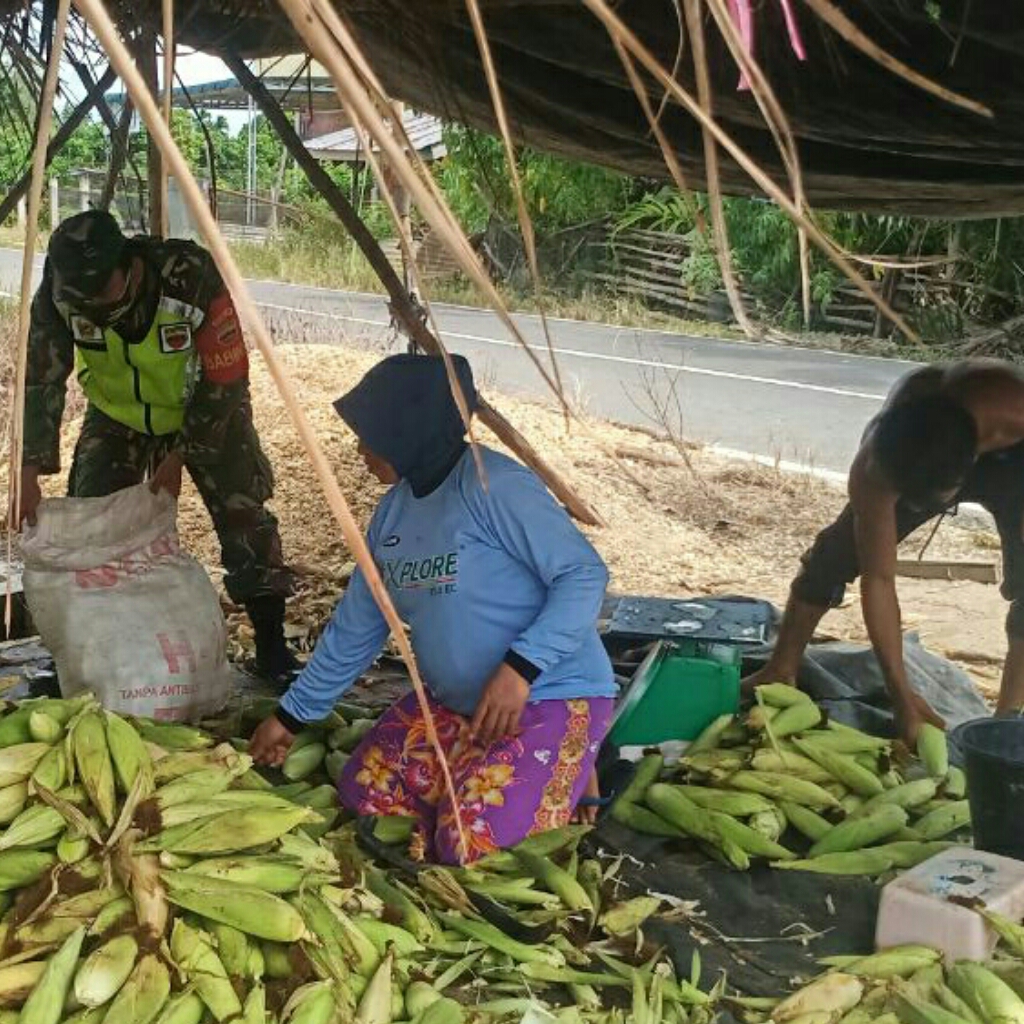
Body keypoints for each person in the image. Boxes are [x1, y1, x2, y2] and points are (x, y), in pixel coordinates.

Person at [250, 353, 616, 864]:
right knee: (364, 797)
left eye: (372, 436)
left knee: (470, 846)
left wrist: (521, 668)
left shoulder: (494, 486)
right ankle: (529, 775)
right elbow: (357, 627)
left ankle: (571, 755)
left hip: (548, 693)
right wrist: (290, 716)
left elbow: (583, 574)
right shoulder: (393, 513)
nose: (360, 449)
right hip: (460, 710)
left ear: (410, 433)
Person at [15, 209, 299, 685]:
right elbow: (41, 379)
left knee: (243, 513)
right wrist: (27, 471)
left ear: (129, 266)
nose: (93, 305)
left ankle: (273, 648)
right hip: (118, 414)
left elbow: (226, 378)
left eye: (102, 292)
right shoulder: (62, 290)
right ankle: (92, 654)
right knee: (94, 518)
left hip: (204, 409)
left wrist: (181, 455)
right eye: (82, 297)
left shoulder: (188, 277)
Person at [745, 359, 1024, 745]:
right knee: (834, 557)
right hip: (932, 449)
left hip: (1013, 461)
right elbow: (879, 579)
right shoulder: (877, 464)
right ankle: (782, 667)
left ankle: (1006, 722)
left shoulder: (1014, 409)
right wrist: (901, 695)